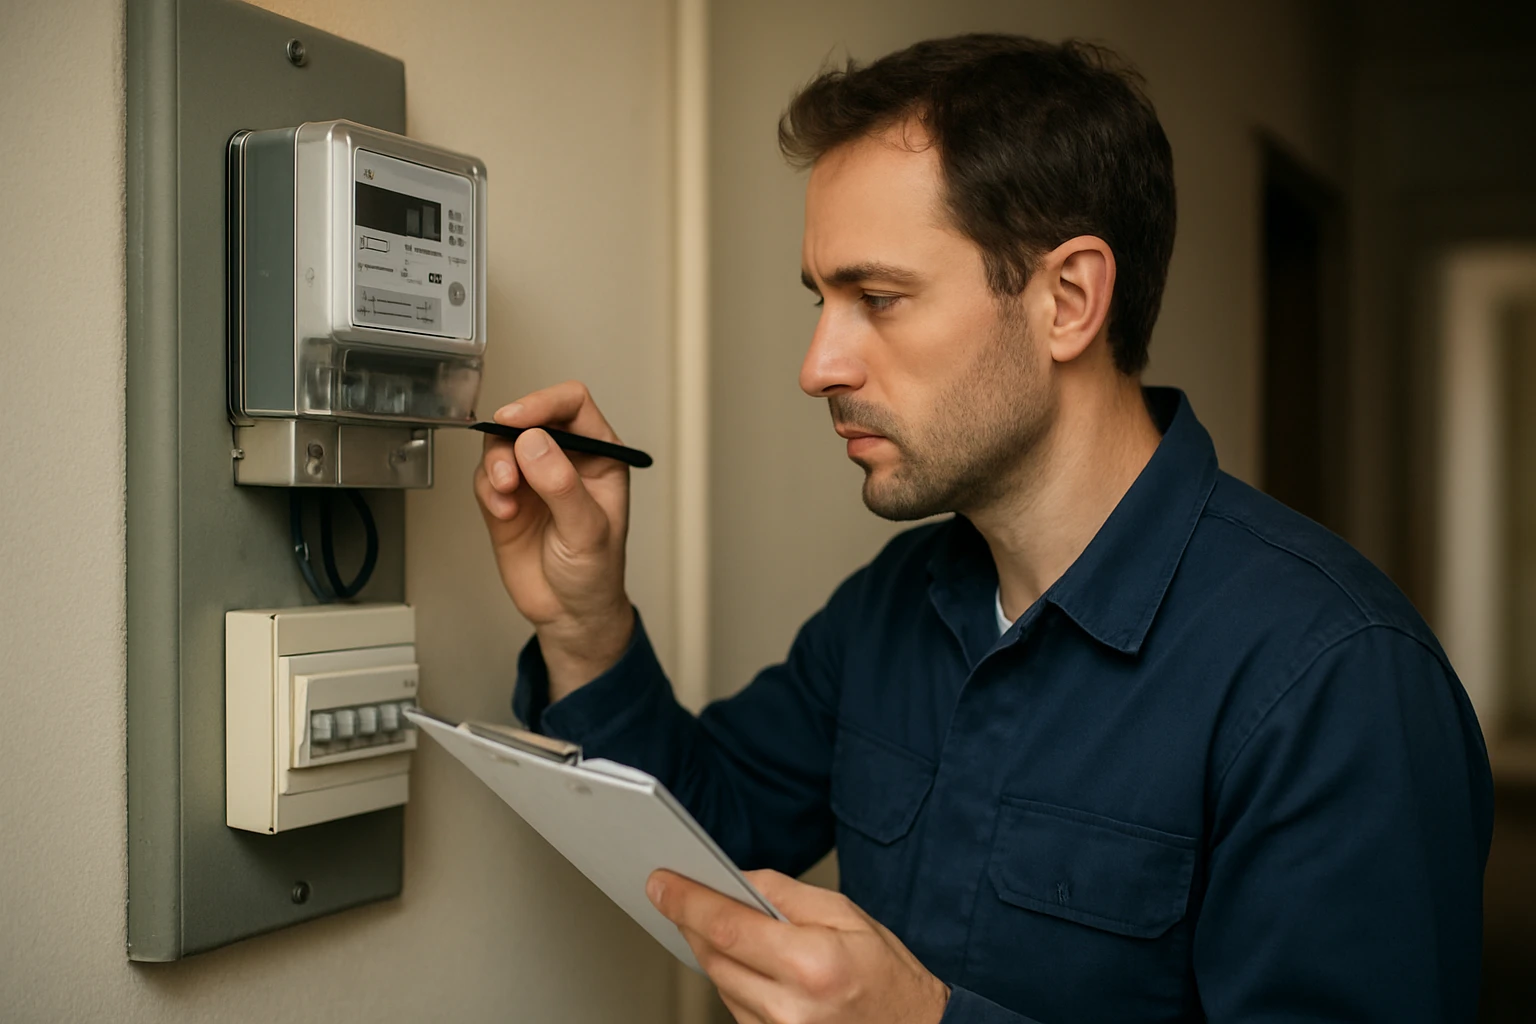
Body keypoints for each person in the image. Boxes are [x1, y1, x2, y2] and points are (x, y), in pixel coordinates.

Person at [473, 34, 1492, 1024]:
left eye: (877, 296)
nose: (818, 364)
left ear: (1069, 298)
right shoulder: (891, 604)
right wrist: (584, 619)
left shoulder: (1336, 678)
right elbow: (705, 836)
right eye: (822, 300)